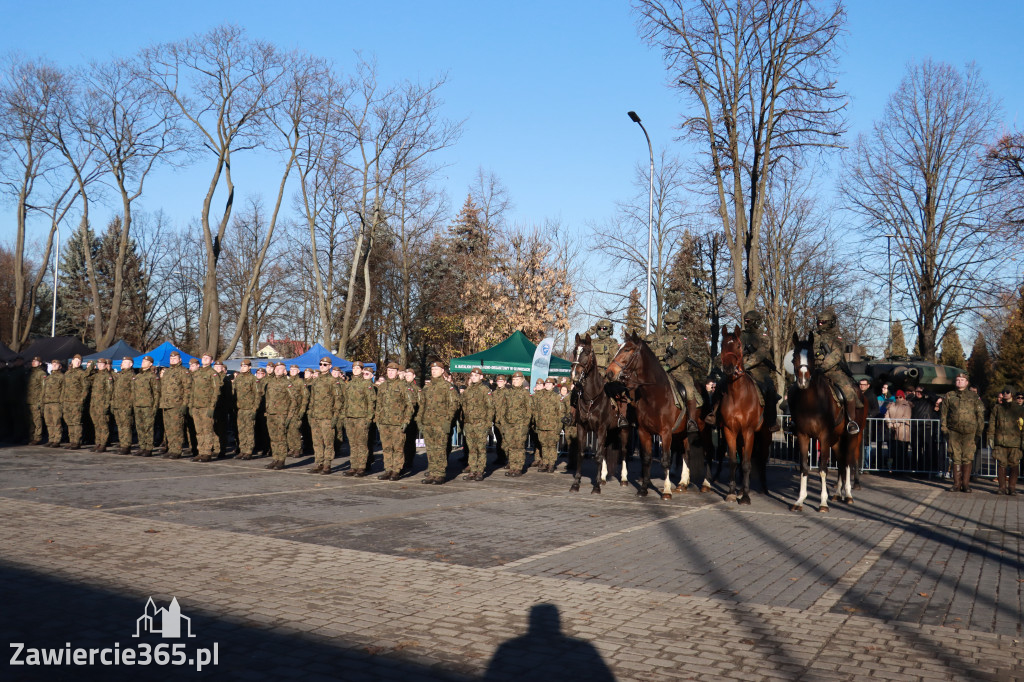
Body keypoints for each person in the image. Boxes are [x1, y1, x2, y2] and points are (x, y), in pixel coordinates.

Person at [646, 310, 700, 432]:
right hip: (659, 372)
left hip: (679, 372)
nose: (670, 325)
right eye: (668, 323)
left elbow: (681, 355)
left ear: (677, 323)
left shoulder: (683, 339)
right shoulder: (657, 338)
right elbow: (652, 351)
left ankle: (691, 421)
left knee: (689, 389)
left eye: (673, 323)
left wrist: (668, 365)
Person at [813, 308, 862, 435]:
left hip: (833, 371)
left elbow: (836, 355)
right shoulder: (814, 337)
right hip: (815, 370)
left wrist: (823, 366)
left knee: (848, 391)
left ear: (830, 322)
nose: (819, 325)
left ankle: (851, 421)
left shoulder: (837, 338)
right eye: (818, 322)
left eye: (822, 322)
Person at [940, 371, 985, 492]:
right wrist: (944, 429)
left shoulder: (974, 396)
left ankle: (965, 484)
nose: (959, 382)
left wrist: (979, 432)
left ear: (967, 382)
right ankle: (956, 484)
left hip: (970, 432)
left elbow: (980, 415)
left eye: (962, 380)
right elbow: (943, 414)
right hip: (954, 432)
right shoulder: (949, 395)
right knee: (956, 457)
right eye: (957, 380)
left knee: (968, 457)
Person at [418, 361, 460, 484]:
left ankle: (440, 473)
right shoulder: (427, 387)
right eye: (432, 369)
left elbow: (454, 405)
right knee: (430, 449)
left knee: (440, 449)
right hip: (428, 423)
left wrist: (448, 421)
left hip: (441, 424)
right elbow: (422, 406)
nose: (434, 371)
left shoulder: (448, 387)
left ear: (442, 371)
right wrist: (419, 420)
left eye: (436, 369)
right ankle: (432, 472)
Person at [373, 362, 414, 480]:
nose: (390, 372)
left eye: (393, 370)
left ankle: (396, 470)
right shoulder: (382, 386)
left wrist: (406, 421)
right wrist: (378, 420)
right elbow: (379, 405)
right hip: (384, 423)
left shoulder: (403, 386)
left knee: (398, 448)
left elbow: (409, 406)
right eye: (388, 370)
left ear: (397, 372)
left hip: (397, 423)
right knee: (386, 448)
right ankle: (388, 469)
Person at [308, 358, 343, 474]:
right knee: (317, 441)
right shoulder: (316, 381)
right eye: (320, 364)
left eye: (325, 364)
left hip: (327, 417)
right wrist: (310, 413)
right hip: (316, 416)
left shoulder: (333, 381)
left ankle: (327, 464)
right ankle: (319, 462)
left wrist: (335, 416)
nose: (322, 366)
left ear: (330, 366)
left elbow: (338, 400)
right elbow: (312, 399)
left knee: (328, 442)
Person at [342, 361, 376, 477]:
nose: (355, 370)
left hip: (361, 418)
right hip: (350, 417)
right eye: (354, 368)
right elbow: (345, 401)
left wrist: (369, 418)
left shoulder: (366, 384)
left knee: (361, 443)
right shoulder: (349, 384)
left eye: (358, 368)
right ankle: (354, 466)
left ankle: (361, 467)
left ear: (362, 370)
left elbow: (371, 402)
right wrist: (344, 416)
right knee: (353, 443)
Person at [459, 367, 494, 481]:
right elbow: (463, 407)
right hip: (469, 424)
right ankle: (473, 470)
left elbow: (490, 408)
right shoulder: (468, 391)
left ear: (481, 377)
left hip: (481, 424)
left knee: (481, 449)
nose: (474, 377)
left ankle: (480, 471)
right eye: (472, 376)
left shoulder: (485, 390)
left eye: (476, 375)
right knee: (472, 449)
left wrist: (488, 424)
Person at [189, 354, 224, 462]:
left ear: (211, 361)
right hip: (196, 406)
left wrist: (212, 406)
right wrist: (190, 405)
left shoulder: (212, 374)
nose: (204, 359)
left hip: (206, 406)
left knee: (207, 430)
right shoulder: (197, 373)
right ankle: (201, 452)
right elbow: (192, 390)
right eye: (203, 358)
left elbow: (216, 391)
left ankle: (207, 452)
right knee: (199, 431)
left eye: (207, 358)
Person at [989, 386, 1022, 496]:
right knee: (1001, 464)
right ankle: (1002, 487)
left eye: (1008, 392)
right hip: (1000, 440)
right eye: (1003, 392)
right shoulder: (997, 408)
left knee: (1014, 464)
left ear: (1012, 394)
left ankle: (1012, 487)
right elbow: (992, 424)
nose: (1005, 394)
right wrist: (990, 437)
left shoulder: (1019, 409)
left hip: (1015, 441)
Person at [532, 376, 568, 473]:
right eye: (546, 384)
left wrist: (559, 427)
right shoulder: (540, 397)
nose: (547, 385)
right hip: (541, 426)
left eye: (549, 384)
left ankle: (551, 464)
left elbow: (561, 413)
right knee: (544, 445)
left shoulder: (557, 397)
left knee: (551, 445)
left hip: (553, 426)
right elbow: (536, 411)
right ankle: (545, 462)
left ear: (553, 386)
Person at [159, 351, 191, 459]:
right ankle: (171, 448)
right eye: (171, 359)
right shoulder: (167, 372)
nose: (172, 360)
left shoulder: (183, 371)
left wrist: (185, 404)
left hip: (177, 404)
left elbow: (187, 389)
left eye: (175, 358)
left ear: (180, 360)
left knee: (176, 428)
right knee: (168, 429)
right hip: (166, 404)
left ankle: (177, 450)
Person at [263, 362, 294, 469]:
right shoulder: (270, 383)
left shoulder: (288, 383)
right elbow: (267, 398)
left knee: (281, 438)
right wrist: (267, 410)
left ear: (285, 371)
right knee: (273, 438)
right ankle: (275, 458)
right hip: (271, 414)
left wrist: (289, 416)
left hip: (282, 414)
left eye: (280, 369)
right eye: (276, 368)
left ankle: (281, 460)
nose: (277, 370)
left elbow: (294, 401)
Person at [502, 371, 533, 476]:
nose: (515, 381)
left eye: (517, 380)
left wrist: (525, 424)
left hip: (520, 425)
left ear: (522, 381)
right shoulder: (508, 393)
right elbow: (503, 409)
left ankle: (518, 468)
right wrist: (504, 422)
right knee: (511, 446)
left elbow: (529, 411)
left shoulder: (525, 394)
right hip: (509, 424)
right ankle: (512, 467)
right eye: (513, 380)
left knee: (519, 446)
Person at [232, 359, 262, 460]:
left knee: (249, 430)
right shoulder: (238, 378)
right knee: (241, 430)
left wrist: (254, 409)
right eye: (241, 366)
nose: (242, 368)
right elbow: (234, 392)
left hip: (249, 408)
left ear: (249, 367)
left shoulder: (253, 379)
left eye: (245, 366)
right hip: (240, 408)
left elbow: (258, 395)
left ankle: (248, 451)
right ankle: (242, 450)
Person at [132, 356, 160, 457]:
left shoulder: (152, 376)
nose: (143, 362)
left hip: (148, 405)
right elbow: (134, 392)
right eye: (143, 361)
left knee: (148, 427)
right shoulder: (138, 376)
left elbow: (156, 393)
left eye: (146, 361)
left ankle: (148, 448)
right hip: (138, 405)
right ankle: (142, 446)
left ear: (151, 364)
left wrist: (155, 406)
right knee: (139, 427)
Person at [61, 354, 91, 450]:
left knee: (76, 422)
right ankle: (72, 441)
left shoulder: (82, 374)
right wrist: (62, 400)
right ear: (72, 361)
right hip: (67, 401)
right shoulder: (67, 373)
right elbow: (63, 388)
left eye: (79, 361)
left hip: (76, 402)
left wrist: (81, 400)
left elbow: (85, 388)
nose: (77, 362)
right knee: (69, 422)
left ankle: (77, 442)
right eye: (76, 360)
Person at [88, 358, 114, 453]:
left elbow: (109, 391)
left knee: (103, 425)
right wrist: (91, 366)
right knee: (97, 425)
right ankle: (98, 443)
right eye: (98, 363)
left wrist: (106, 405)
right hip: (94, 404)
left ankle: (103, 444)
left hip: (102, 404)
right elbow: (85, 375)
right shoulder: (96, 375)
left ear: (105, 365)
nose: (99, 365)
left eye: (101, 363)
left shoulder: (107, 376)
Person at [112, 358, 136, 454]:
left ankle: (126, 446)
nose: (123, 363)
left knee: (126, 426)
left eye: (125, 362)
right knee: (120, 426)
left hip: (126, 405)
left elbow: (133, 392)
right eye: (122, 362)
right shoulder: (120, 375)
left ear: (130, 364)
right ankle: (122, 444)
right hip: (118, 405)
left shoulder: (132, 376)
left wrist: (130, 404)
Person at [884, 389, 912, 470]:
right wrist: (889, 423)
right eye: (896, 397)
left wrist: (895, 424)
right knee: (893, 451)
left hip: (902, 432)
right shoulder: (891, 405)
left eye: (900, 397)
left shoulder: (907, 406)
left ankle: (902, 469)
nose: (898, 398)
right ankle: (894, 468)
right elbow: (886, 415)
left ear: (903, 397)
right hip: (892, 431)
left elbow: (906, 417)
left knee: (902, 451)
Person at [286, 364, 309, 457]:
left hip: (296, 409)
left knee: (295, 429)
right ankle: (291, 448)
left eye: (294, 369)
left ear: (298, 371)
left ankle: (297, 449)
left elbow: (305, 396)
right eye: (291, 369)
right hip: (287, 409)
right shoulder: (287, 381)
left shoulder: (300, 382)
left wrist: (302, 409)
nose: (292, 371)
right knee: (288, 430)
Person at [402, 368, 422, 474]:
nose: (407, 376)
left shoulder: (417, 389)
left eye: (410, 374)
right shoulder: (401, 386)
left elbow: (420, 405)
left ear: (414, 376)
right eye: (406, 374)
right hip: (401, 419)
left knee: (409, 442)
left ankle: (409, 461)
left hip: (412, 420)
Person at [42, 359, 65, 447]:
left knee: (57, 422)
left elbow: (63, 390)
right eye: (53, 364)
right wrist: (43, 400)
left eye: (56, 364)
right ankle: (51, 438)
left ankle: (57, 440)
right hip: (47, 402)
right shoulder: (48, 377)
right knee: (48, 422)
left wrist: (61, 402)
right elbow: (44, 390)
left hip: (56, 402)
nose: (54, 365)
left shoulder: (62, 377)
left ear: (60, 366)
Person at [25, 357, 46, 445]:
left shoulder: (41, 373)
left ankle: (37, 438)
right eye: (33, 361)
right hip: (29, 400)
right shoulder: (30, 373)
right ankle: (31, 436)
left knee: (37, 420)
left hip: (36, 401)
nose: (33, 362)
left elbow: (43, 388)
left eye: (36, 361)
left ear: (40, 363)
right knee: (30, 421)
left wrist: (40, 401)